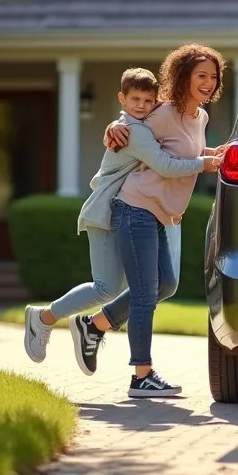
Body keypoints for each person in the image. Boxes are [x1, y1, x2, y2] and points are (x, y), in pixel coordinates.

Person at [69, 45, 229, 398]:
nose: (207, 82)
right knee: (144, 295)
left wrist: (208, 155)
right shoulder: (162, 112)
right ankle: (142, 375)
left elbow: (181, 152)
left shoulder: (200, 117)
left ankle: (93, 325)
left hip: (159, 212)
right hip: (135, 207)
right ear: (183, 76)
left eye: (213, 76)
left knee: (165, 285)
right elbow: (130, 126)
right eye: (200, 75)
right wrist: (112, 127)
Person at [22, 68, 208, 367]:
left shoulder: (145, 123)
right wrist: (206, 163)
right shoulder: (132, 131)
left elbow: (176, 144)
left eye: (148, 100)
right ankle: (43, 317)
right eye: (134, 99)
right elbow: (164, 163)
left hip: (126, 211)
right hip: (107, 209)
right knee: (107, 287)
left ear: (156, 101)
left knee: (158, 285)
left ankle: (90, 325)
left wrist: (209, 154)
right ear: (122, 99)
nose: (141, 105)